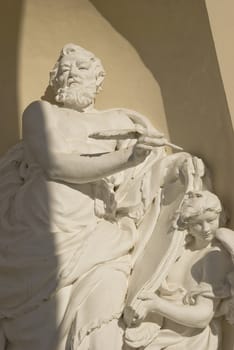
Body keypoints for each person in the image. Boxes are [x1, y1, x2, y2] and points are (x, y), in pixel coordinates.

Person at [0, 43, 176, 350]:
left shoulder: (122, 121)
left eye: (80, 68)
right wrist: (127, 158)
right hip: (41, 226)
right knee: (38, 325)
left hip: (98, 232)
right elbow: (55, 165)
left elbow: (146, 174)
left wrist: (174, 167)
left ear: (99, 79)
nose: (70, 75)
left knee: (106, 296)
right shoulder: (41, 112)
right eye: (63, 71)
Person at [124, 191, 233, 350]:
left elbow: (203, 315)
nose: (205, 229)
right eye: (197, 223)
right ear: (187, 223)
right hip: (156, 333)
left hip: (189, 340)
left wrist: (156, 305)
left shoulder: (214, 257)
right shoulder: (180, 251)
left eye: (211, 220)